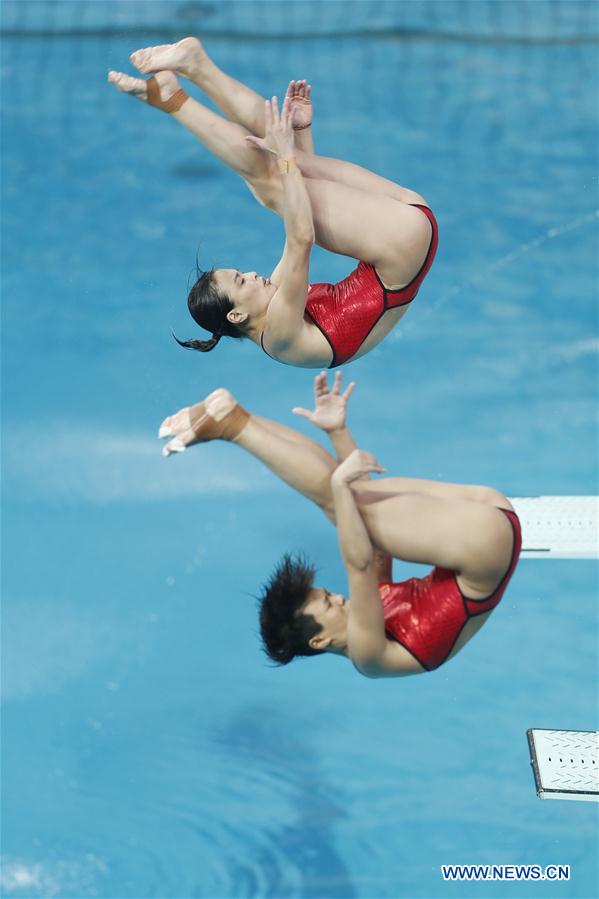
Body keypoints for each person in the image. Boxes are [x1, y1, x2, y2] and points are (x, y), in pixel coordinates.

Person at [157, 373, 521, 677]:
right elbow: (357, 563)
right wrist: (339, 486)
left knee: (352, 497)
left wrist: (338, 432)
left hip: (488, 521)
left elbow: (371, 541)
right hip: (485, 546)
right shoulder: (367, 655)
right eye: (329, 603)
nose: (340, 597)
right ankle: (233, 425)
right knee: (341, 498)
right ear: (319, 641)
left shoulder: (372, 607)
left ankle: (237, 415)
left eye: (329, 594)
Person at [108, 37, 438, 368]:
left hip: (406, 230)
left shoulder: (274, 301)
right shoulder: (279, 334)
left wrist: (300, 133)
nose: (253, 274)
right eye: (241, 281)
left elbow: (302, 210)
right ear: (236, 314)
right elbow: (301, 237)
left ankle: (185, 82)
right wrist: (286, 157)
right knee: (271, 181)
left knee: (282, 166)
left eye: (242, 273)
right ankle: (180, 90)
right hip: (400, 243)